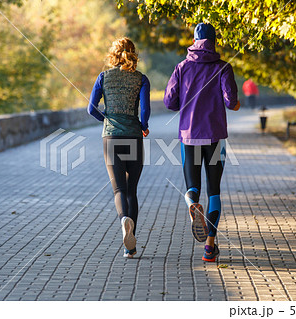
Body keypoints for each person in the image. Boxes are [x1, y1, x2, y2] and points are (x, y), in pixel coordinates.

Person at [164, 23, 240, 262]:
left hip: (189, 136)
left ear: (194, 41)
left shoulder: (182, 67)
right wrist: (236, 104)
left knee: (192, 186)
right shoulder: (222, 67)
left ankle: (192, 206)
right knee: (214, 190)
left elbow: (169, 102)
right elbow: (231, 101)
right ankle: (210, 247)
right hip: (215, 137)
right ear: (214, 41)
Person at [88, 37, 151, 258]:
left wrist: (106, 119)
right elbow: (145, 111)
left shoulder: (103, 77)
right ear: (133, 54)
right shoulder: (141, 79)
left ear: (113, 54)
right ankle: (130, 248)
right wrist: (143, 126)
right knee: (132, 189)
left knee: (118, 190)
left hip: (111, 137)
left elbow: (91, 109)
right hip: (133, 136)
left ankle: (123, 219)